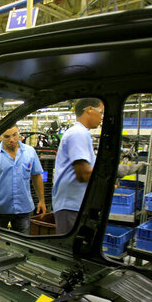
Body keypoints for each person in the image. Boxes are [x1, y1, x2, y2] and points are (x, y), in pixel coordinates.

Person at [52, 98, 103, 234]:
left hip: (75, 204)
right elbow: (83, 174)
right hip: (71, 205)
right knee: (69, 252)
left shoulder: (81, 133)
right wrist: (112, 174)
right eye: (101, 112)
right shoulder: (78, 133)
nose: (102, 118)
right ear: (89, 110)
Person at [0, 125, 46, 234]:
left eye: (15, 135)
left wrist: (42, 200)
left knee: (23, 244)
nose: (11, 139)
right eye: (7, 136)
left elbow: (37, 175)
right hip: (0, 208)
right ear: (0, 136)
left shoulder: (30, 152)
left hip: (24, 207)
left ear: (19, 132)